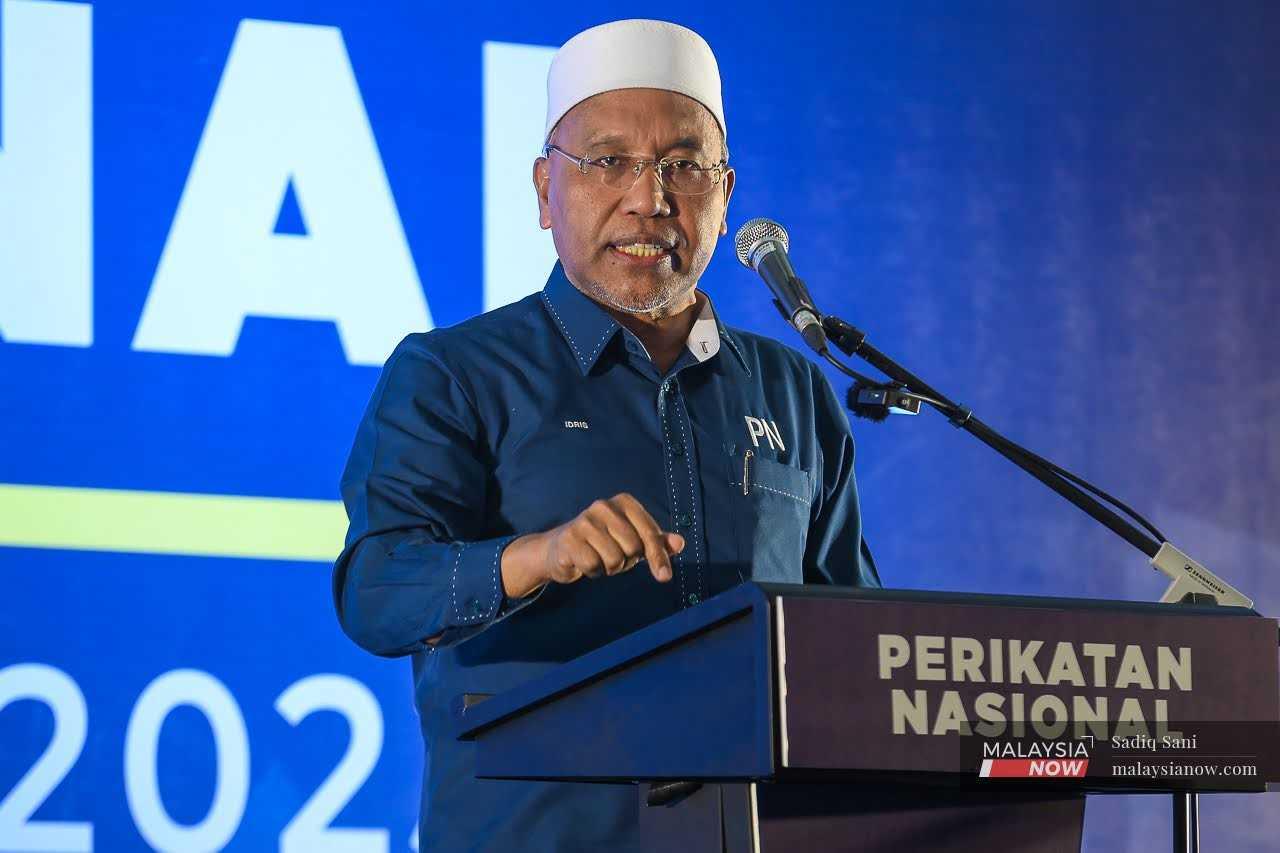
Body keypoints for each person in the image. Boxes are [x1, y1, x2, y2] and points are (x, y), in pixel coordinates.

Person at [331, 18, 879, 852]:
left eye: (683, 166)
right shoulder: (455, 373)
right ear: (544, 190)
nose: (649, 199)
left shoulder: (794, 390)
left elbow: (853, 642)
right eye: (609, 161)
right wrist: (535, 558)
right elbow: (375, 591)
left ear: (725, 195)